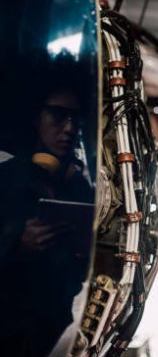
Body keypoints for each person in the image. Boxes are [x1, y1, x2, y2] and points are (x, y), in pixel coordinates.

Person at [0, 54, 94, 356]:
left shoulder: (80, 187)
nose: (69, 128)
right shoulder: (6, 178)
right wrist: (16, 241)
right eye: (58, 115)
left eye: (76, 119)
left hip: (59, 331)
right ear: (34, 116)